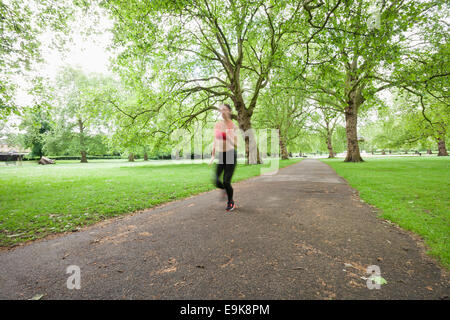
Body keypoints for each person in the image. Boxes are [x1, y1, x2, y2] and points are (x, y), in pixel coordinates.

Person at [209, 104, 237, 212]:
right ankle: (226, 190)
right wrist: (212, 155)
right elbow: (215, 141)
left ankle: (231, 202)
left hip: (230, 154)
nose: (222, 111)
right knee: (216, 180)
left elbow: (237, 144)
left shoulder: (233, 125)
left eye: (224, 109)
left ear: (229, 111)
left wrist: (228, 137)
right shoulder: (218, 125)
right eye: (221, 110)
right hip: (221, 155)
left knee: (226, 181)